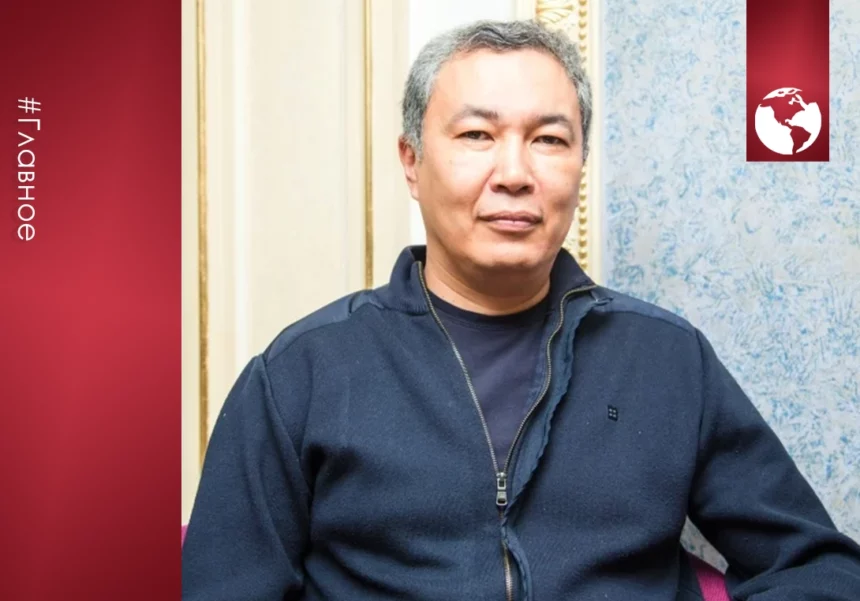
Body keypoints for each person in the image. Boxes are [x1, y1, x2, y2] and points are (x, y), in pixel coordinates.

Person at [182, 19, 860, 600]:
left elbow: (819, 566)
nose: (513, 173)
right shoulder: (301, 374)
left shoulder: (667, 360)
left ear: (581, 164)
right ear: (412, 162)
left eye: (549, 140)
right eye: (477, 135)